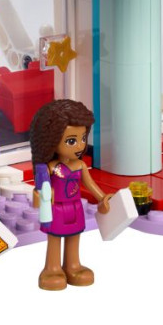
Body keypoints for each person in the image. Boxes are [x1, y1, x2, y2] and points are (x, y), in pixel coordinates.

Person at [29, 99, 112, 289]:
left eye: (83, 139)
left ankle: (72, 265)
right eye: (71, 141)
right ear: (51, 141)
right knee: (54, 238)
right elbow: (40, 189)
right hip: (56, 209)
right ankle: (52, 268)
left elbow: (90, 184)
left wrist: (102, 198)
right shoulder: (50, 168)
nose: (79, 146)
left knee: (75, 236)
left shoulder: (80, 165)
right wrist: (40, 194)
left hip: (75, 208)